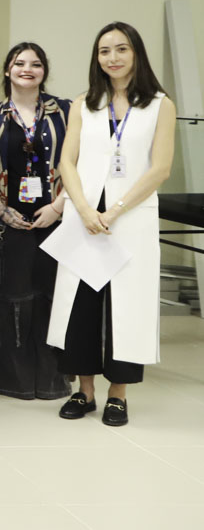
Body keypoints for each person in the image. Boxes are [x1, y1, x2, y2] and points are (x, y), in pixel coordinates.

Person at [48, 22, 175, 427]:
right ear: (96, 58)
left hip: (130, 215)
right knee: (80, 304)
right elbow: (67, 161)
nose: (113, 58)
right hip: (85, 216)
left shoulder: (159, 104)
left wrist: (115, 210)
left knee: (126, 305)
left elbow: (161, 168)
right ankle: (84, 391)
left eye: (121, 49)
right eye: (105, 51)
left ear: (136, 53)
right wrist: (84, 209)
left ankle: (117, 395)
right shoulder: (84, 103)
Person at [0, 43, 71, 400]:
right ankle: (10, 380)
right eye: (19, 63)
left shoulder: (65, 112)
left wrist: (59, 206)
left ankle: (52, 380)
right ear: (7, 70)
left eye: (35, 64)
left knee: (51, 298)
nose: (27, 69)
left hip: (57, 218)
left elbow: (81, 164)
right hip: (7, 220)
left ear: (44, 71)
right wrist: (0, 208)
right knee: (10, 300)